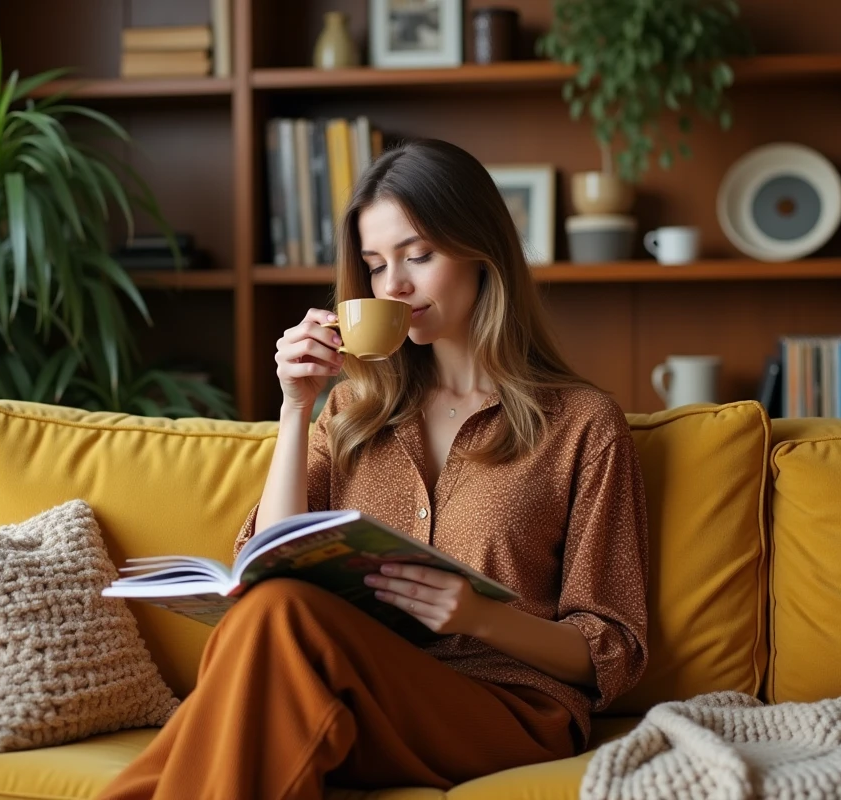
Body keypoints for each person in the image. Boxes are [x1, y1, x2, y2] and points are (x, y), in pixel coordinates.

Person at [99, 139, 649, 800]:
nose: (394, 286)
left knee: (270, 636)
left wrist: (478, 617)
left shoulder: (583, 423)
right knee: (270, 613)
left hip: (508, 708)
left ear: (482, 251)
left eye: (418, 256)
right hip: (350, 688)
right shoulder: (354, 408)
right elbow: (259, 566)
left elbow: (611, 649)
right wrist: (296, 407)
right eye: (374, 264)